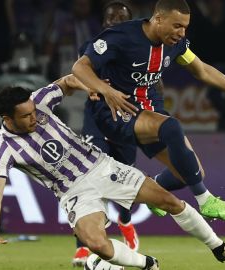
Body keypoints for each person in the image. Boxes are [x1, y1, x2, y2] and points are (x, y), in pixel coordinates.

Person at [0, 74, 225, 270]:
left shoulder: (39, 101)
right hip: (72, 192)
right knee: (95, 243)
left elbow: (67, 81)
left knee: (168, 200)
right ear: (7, 119)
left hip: (101, 166)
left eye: (33, 112)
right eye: (25, 117)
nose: (33, 118)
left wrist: (89, 88)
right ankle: (147, 264)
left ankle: (220, 248)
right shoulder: (4, 150)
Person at [72, 0, 225, 220]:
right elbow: (79, 67)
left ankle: (153, 190)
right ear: (158, 19)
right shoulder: (121, 36)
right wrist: (106, 90)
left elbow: (203, 71)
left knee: (191, 173)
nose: (181, 33)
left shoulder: (174, 44)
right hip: (116, 112)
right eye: (177, 26)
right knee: (171, 127)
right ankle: (205, 200)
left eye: (185, 27)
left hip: (149, 112)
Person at [73, 1, 139, 266]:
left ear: (129, 23)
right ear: (103, 23)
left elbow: (152, 81)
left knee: (126, 180)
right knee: (87, 178)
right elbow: (78, 74)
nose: (113, 23)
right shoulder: (91, 48)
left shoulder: (139, 50)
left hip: (125, 119)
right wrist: (89, 86)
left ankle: (124, 220)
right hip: (96, 119)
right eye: (109, 19)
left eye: (120, 19)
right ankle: (82, 246)